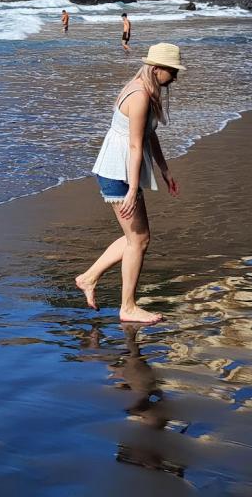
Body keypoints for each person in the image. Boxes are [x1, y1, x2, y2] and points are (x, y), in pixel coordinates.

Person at [77, 43, 183, 324]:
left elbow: (150, 136)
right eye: (171, 71)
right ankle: (128, 307)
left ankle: (88, 278)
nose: (174, 77)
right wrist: (133, 189)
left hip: (121, 170)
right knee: (139, 240)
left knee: (135, 238)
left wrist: (165, 171)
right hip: (118, 172)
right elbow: (136, 146)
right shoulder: (139, 95)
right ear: (156, 68)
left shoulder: (145, 89)